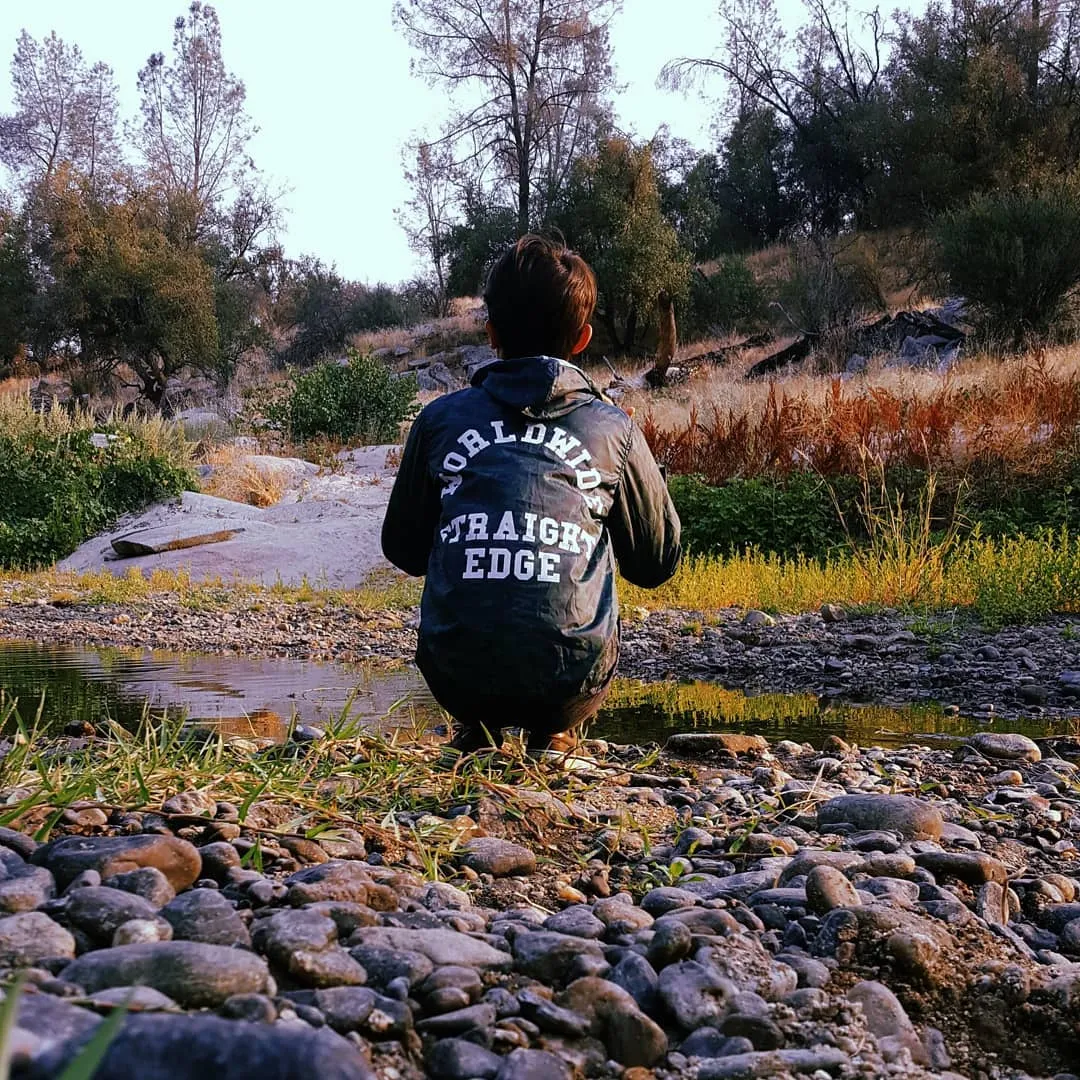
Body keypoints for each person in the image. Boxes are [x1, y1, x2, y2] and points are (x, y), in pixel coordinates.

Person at [380, 235, 681, 754]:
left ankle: (477, 725)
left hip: (455, 678)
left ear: (491, 331)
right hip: (570, 681)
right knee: (593, 530)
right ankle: (556, 730)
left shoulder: (438, 420)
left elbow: (403, 552)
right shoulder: (614, 429)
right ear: (582, 338)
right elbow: (656, 563)